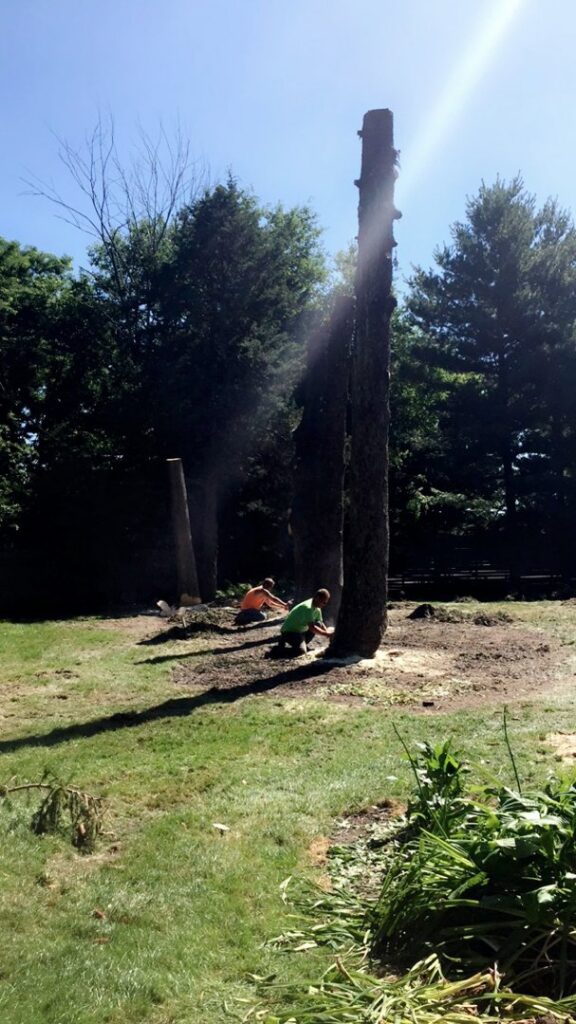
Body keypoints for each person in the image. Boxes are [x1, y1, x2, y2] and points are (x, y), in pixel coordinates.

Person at [278, 588, 333, 654]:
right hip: (290, 632)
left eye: (325, 603)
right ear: (317, 598)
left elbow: (320, 623)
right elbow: (312, 628)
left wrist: (327, 633)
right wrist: (326, 634)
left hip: (300, 632)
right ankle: (278, 650)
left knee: (318, 624)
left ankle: (302, 644)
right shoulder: (308, 607)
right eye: (323, 602)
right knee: (301, 651)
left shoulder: (317, 608)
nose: (324, 605)